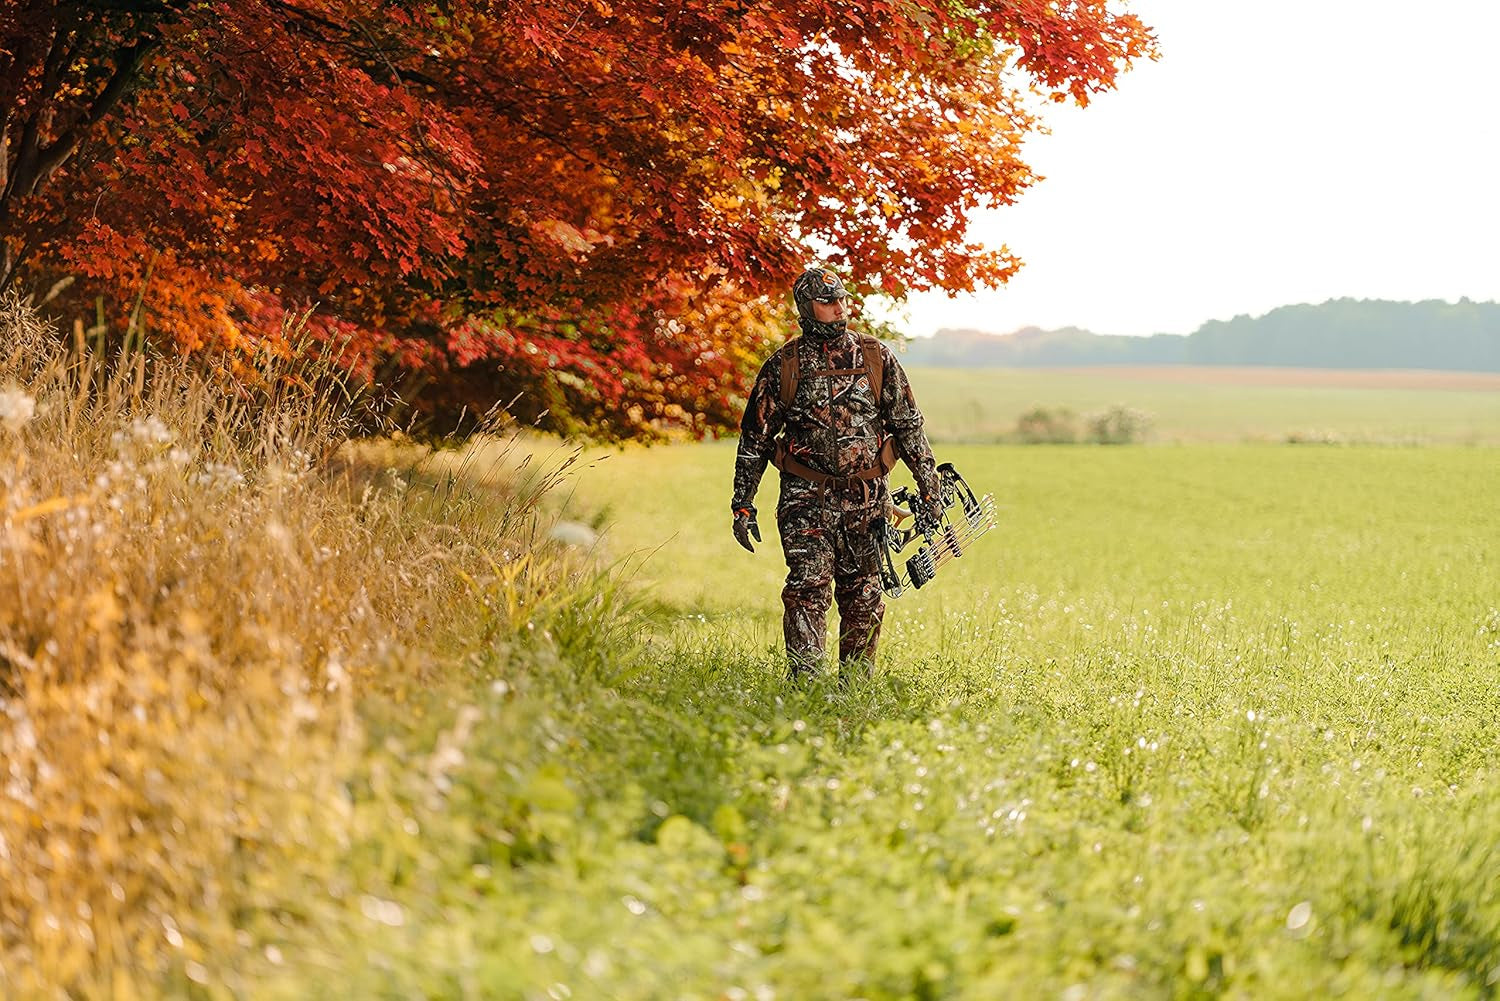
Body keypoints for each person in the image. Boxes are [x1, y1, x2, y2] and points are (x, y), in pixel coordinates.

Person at [731, 266, 945, 681]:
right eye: (827, 302)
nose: (838, 308)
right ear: (805, 308)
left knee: (864, 596)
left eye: (842, 299)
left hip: (867, 501)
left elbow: (908, 425)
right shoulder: (783, 366)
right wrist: (742, 504)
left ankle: (854, 688)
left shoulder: (875, 357)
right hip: (804, 501)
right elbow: (754, 438)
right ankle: (806, 686)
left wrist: (930, 489)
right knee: (807, 590)